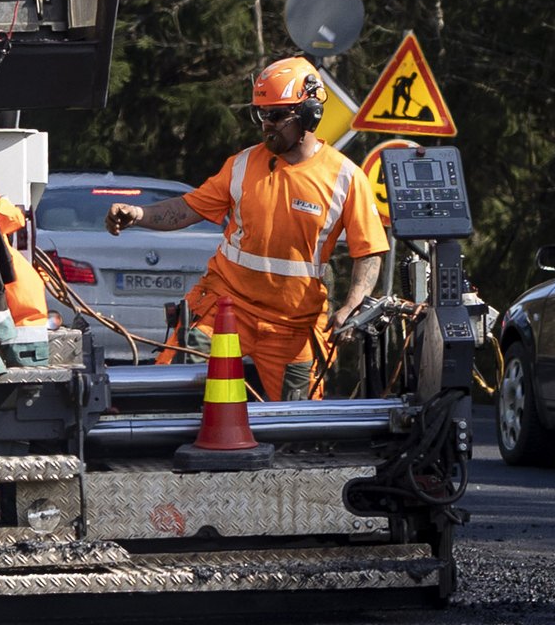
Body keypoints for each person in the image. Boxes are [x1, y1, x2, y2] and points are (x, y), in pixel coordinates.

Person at [108, 57, 388, 399]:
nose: (265, 125)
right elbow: (188, 208)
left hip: (293, 324)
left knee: (297, 427)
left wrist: (352, 305)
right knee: (172, 390)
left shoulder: (346, 179)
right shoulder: (241, 165)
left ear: (309, 114)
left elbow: (369, 251)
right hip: (226, 307)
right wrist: (138, 213)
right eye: (260, 115)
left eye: (275, 115)